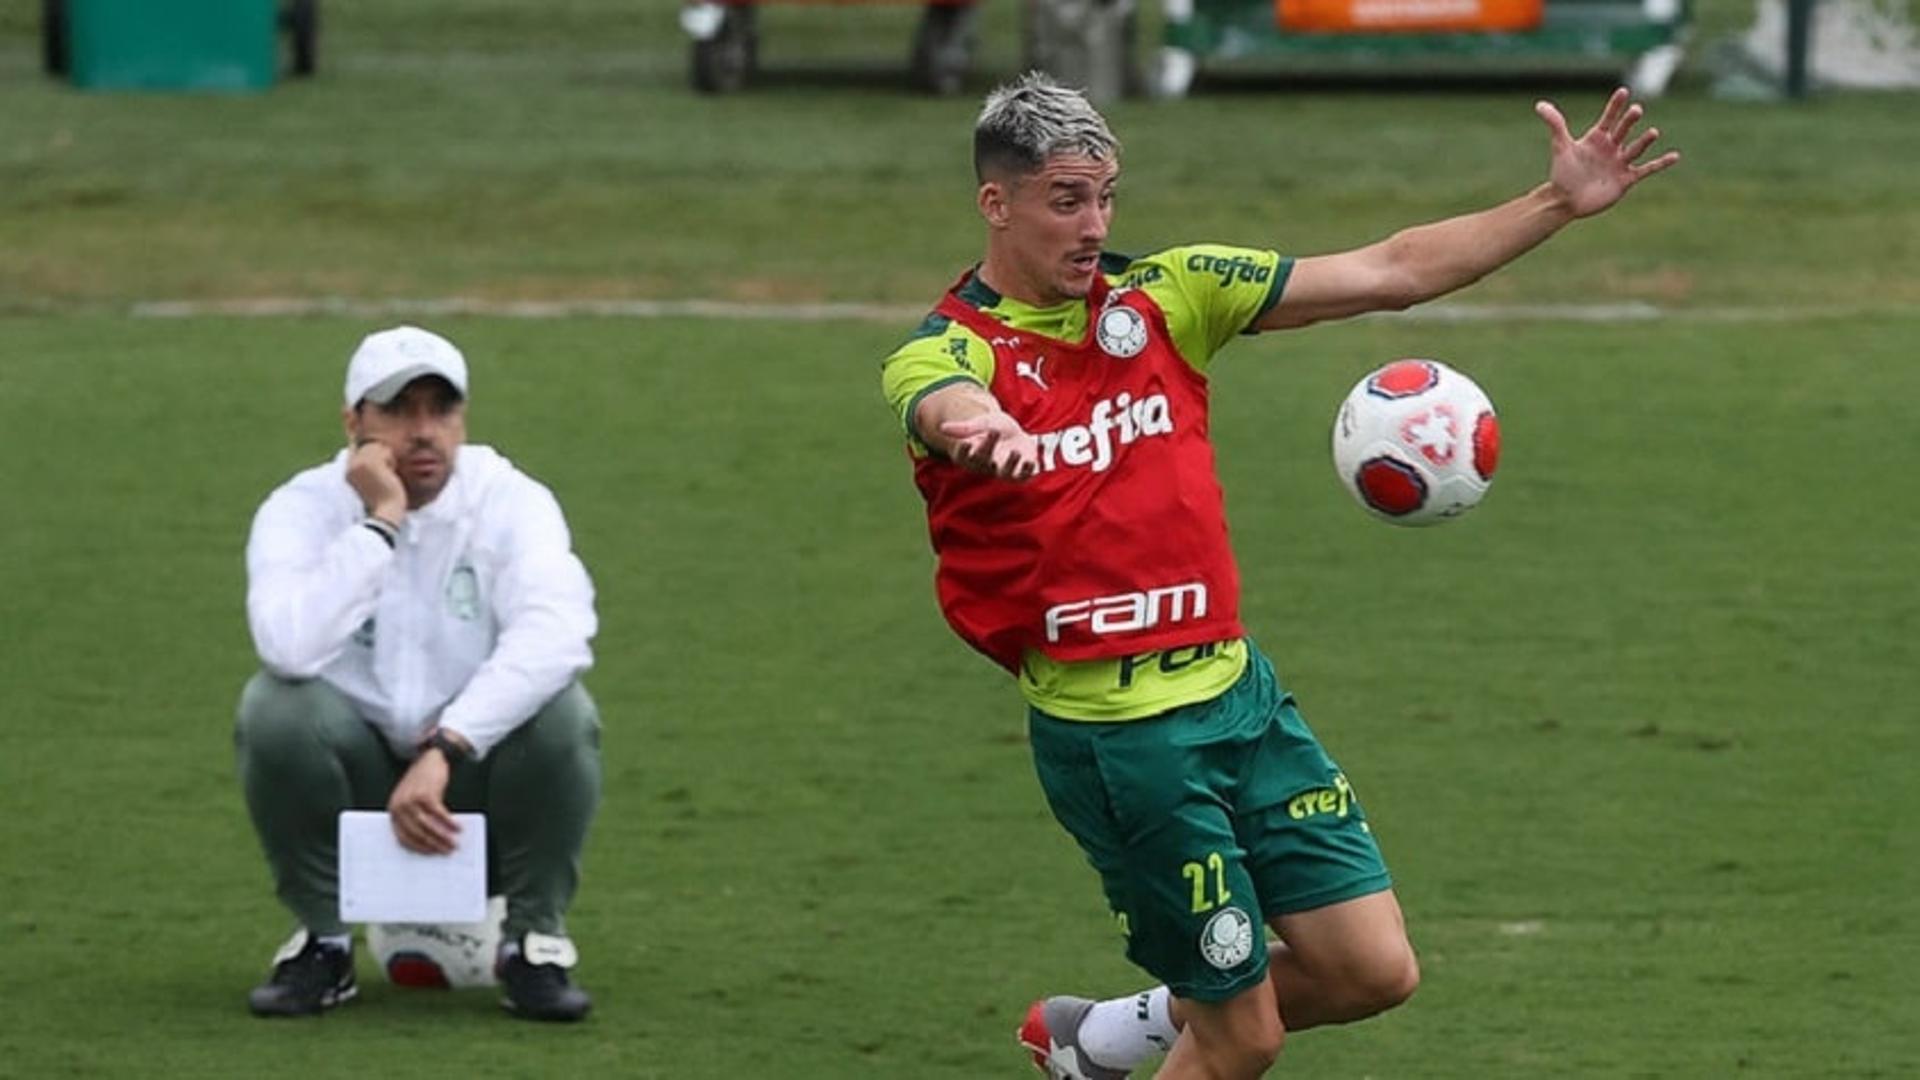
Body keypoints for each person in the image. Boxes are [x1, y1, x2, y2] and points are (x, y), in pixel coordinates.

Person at [879, 74, 1677, 1078]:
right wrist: (978, 426)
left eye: (1106, 196)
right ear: (996, 204)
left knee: (1370, 971)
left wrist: (1555, 202)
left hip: (1240, 700)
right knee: (1242, 1038)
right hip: (1122, 744)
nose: (1094, 224)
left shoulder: (1171, 295)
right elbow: (941, 401)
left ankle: (1100, 1043)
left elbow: (1388, 269)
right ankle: (1163, 1034)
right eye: (1065, 201)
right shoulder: (950, 350)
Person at [236, 325, 603, 1022]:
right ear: (355, 424)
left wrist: (448, 746)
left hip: (474, 793)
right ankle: (324, 943)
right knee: (274, 710)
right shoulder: (301, 509)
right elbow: (286, 646)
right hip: (361, 793)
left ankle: (534, 946)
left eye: (443, 410)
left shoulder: (510, 499)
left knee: (565, 715)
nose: (425, 432)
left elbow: (559, 634)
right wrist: (381, 523)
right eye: (400, 411)